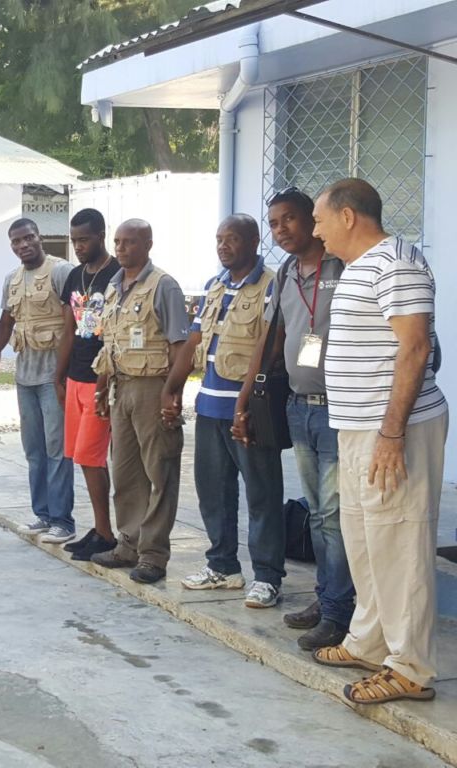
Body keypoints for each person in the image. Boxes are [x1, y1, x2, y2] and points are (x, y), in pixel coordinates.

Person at [310, 178, 448, 705]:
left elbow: (415, 350)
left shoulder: (395, 264)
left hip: (394, 430)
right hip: (359, 426)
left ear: (348, 217)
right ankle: (370, 639)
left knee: (399, 539)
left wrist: (392, 432)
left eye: (320, 220)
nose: (316, 231)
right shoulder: (360, 267)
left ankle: (410, 666)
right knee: (365, 535)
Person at [233, 190, 354, 650]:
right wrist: (246, 398)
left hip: (341, 409)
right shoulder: (285, 272)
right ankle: (328, 599)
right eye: (275, 222)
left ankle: (340, 611)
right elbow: (271, 338)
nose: (281, 229)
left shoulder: (344, 265)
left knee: (333, 515)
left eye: (290, 219)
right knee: (318, 512)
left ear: (315, 221)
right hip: (299, 406)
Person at [162, 214, 285, 608]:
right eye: (219, 239)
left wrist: (245, 405)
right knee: (213, 492)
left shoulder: (271, 285)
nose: (223, 245)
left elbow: (268, 350)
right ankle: (223, 566)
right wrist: (172, 388)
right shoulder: (215, 286)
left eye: (232, 239)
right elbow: (194, 340)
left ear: (253, 241)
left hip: (249, 412)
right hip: (210, 408)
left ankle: (267, 577)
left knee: (262, 495)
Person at [91, 219, 190, 584]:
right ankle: (127, 543)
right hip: (121, 388)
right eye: (117, 242)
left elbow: (182, 346)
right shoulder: (115, 287)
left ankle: (153, 554)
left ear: (148, 243)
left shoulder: (163, 285)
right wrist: (103, 386)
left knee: (159, 470)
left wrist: (171, 393)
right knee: (126, 471)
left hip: (152, 387)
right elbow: (110, 344)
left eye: (130, 242)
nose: (121, 248)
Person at [0, 219, 76, 543]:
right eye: (16, 241)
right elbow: (5, 325)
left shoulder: (61, 271)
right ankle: (42, 515)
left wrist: (64, 376)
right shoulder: (12, 280)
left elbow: (74, 321)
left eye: (28, 238)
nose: (23, 245)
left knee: (57, 450)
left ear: (39, 237)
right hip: (25, 376)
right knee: (34, 450)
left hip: (53, 377)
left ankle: (63, 521)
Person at [53, 209, 120, 562]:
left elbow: (116, 334)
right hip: (75, 376)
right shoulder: (76, 276)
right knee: (82, 457)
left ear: (101, 235)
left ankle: (107, 533)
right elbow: (69, 327)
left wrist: (103, 382)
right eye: (74, 240)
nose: (78, 246)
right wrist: (58, 374)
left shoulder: (117, 275)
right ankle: (99, 528)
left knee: (93, 457)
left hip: (100, 378)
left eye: (84, 240)